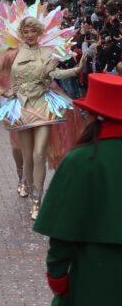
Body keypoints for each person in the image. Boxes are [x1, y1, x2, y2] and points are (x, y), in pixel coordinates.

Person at [0, 14, 88, 219]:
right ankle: (29, 192)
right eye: (26, 32)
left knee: (39, 154)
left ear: (39, 33)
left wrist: (77, 70)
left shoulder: (47, 53)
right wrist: (4, 92)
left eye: (33, 31)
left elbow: (54, 75)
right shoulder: (12, 53)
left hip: (43, 104)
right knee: (27, 155)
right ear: (21, 34)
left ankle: (38, 200)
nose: (29, 35)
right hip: (20, 106)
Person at [34, 74, 122, 305]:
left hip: (93, 277)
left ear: (93, 116)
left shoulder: (80, 160)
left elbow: (62, 236)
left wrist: (58, 278)